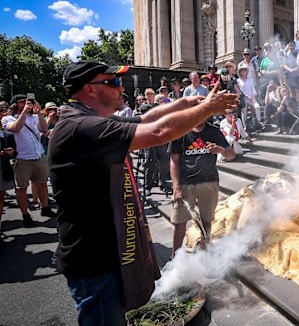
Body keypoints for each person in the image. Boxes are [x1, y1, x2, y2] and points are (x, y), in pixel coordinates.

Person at [48, 60, 237, 324]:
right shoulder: (81, 128)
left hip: (104, 255)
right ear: (90, 90)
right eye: (112, 82)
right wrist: (207, 108)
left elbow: (148, 118)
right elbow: (158, 131)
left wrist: (186, 104)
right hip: (94, 262)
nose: (120, 89)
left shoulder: (87, 121)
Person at [169, 119, 235, 255]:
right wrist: (176, 187)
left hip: (209, 182)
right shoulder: (180, 130)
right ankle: (174, 258)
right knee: (179, 222)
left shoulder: (214, 131)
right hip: (185, 184)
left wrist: (220, 150)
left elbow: (231, 154)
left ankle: (204, 254)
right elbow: (174, 160)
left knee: (207, 221)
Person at [2, 94, 56, 226]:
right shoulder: (8, 118)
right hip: (22, 158)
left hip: (38, 154)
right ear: (15, 105)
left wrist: (38, 114)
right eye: (22, 102)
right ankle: (25, 215)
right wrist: (24, 112)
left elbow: (43, 129)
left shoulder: (34, 116)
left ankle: (45, 208)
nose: (27, 104)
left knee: (42, 183)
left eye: (28, 102)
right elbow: (15, 128)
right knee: (22, 188)